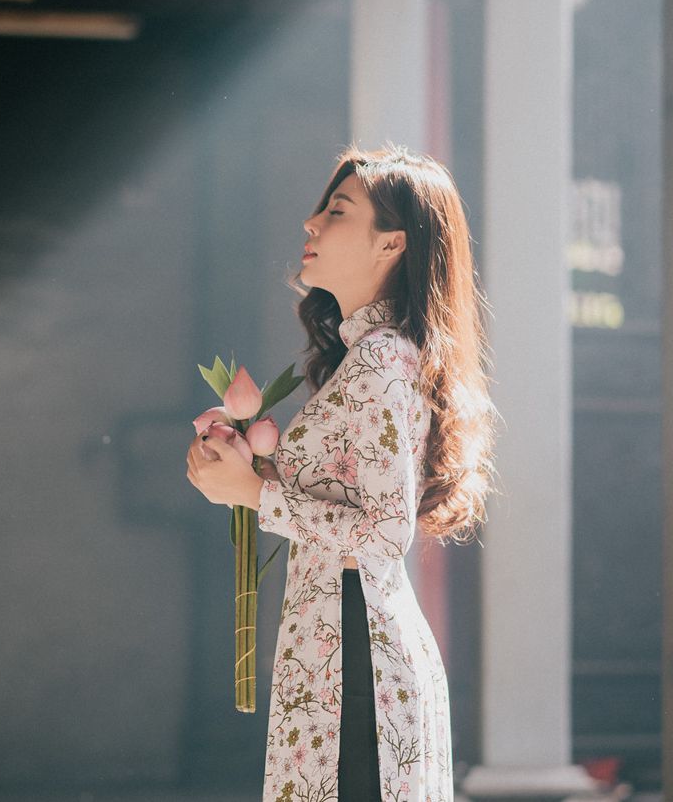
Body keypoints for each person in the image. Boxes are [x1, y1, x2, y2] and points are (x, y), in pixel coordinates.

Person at [186, 143, 498, 801]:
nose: (310, 223)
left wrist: (254, 491)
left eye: (336, 210)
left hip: (359, 654)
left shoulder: (383, 361)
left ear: (391, 244)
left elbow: (384, 536)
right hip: (338, 646)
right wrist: (245, 467)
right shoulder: (370, 357)